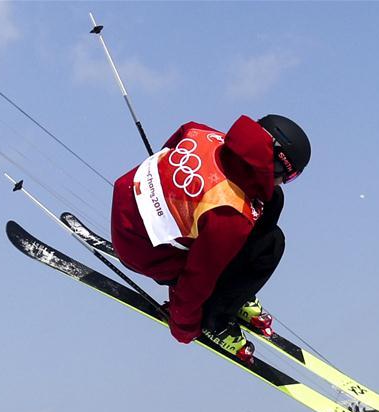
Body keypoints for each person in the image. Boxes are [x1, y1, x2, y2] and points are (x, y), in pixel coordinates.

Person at [110, 114, 311, 361]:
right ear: (277, 164)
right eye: (289, 177)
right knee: (271, 247)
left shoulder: (202, 133)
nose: (283, 183)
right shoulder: (230, 214)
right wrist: (184, 326)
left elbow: (169, 150)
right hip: (140, 248)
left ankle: (235, 293)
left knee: (272, 200)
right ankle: (215, 320)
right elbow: (198, 277)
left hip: (127, 199)